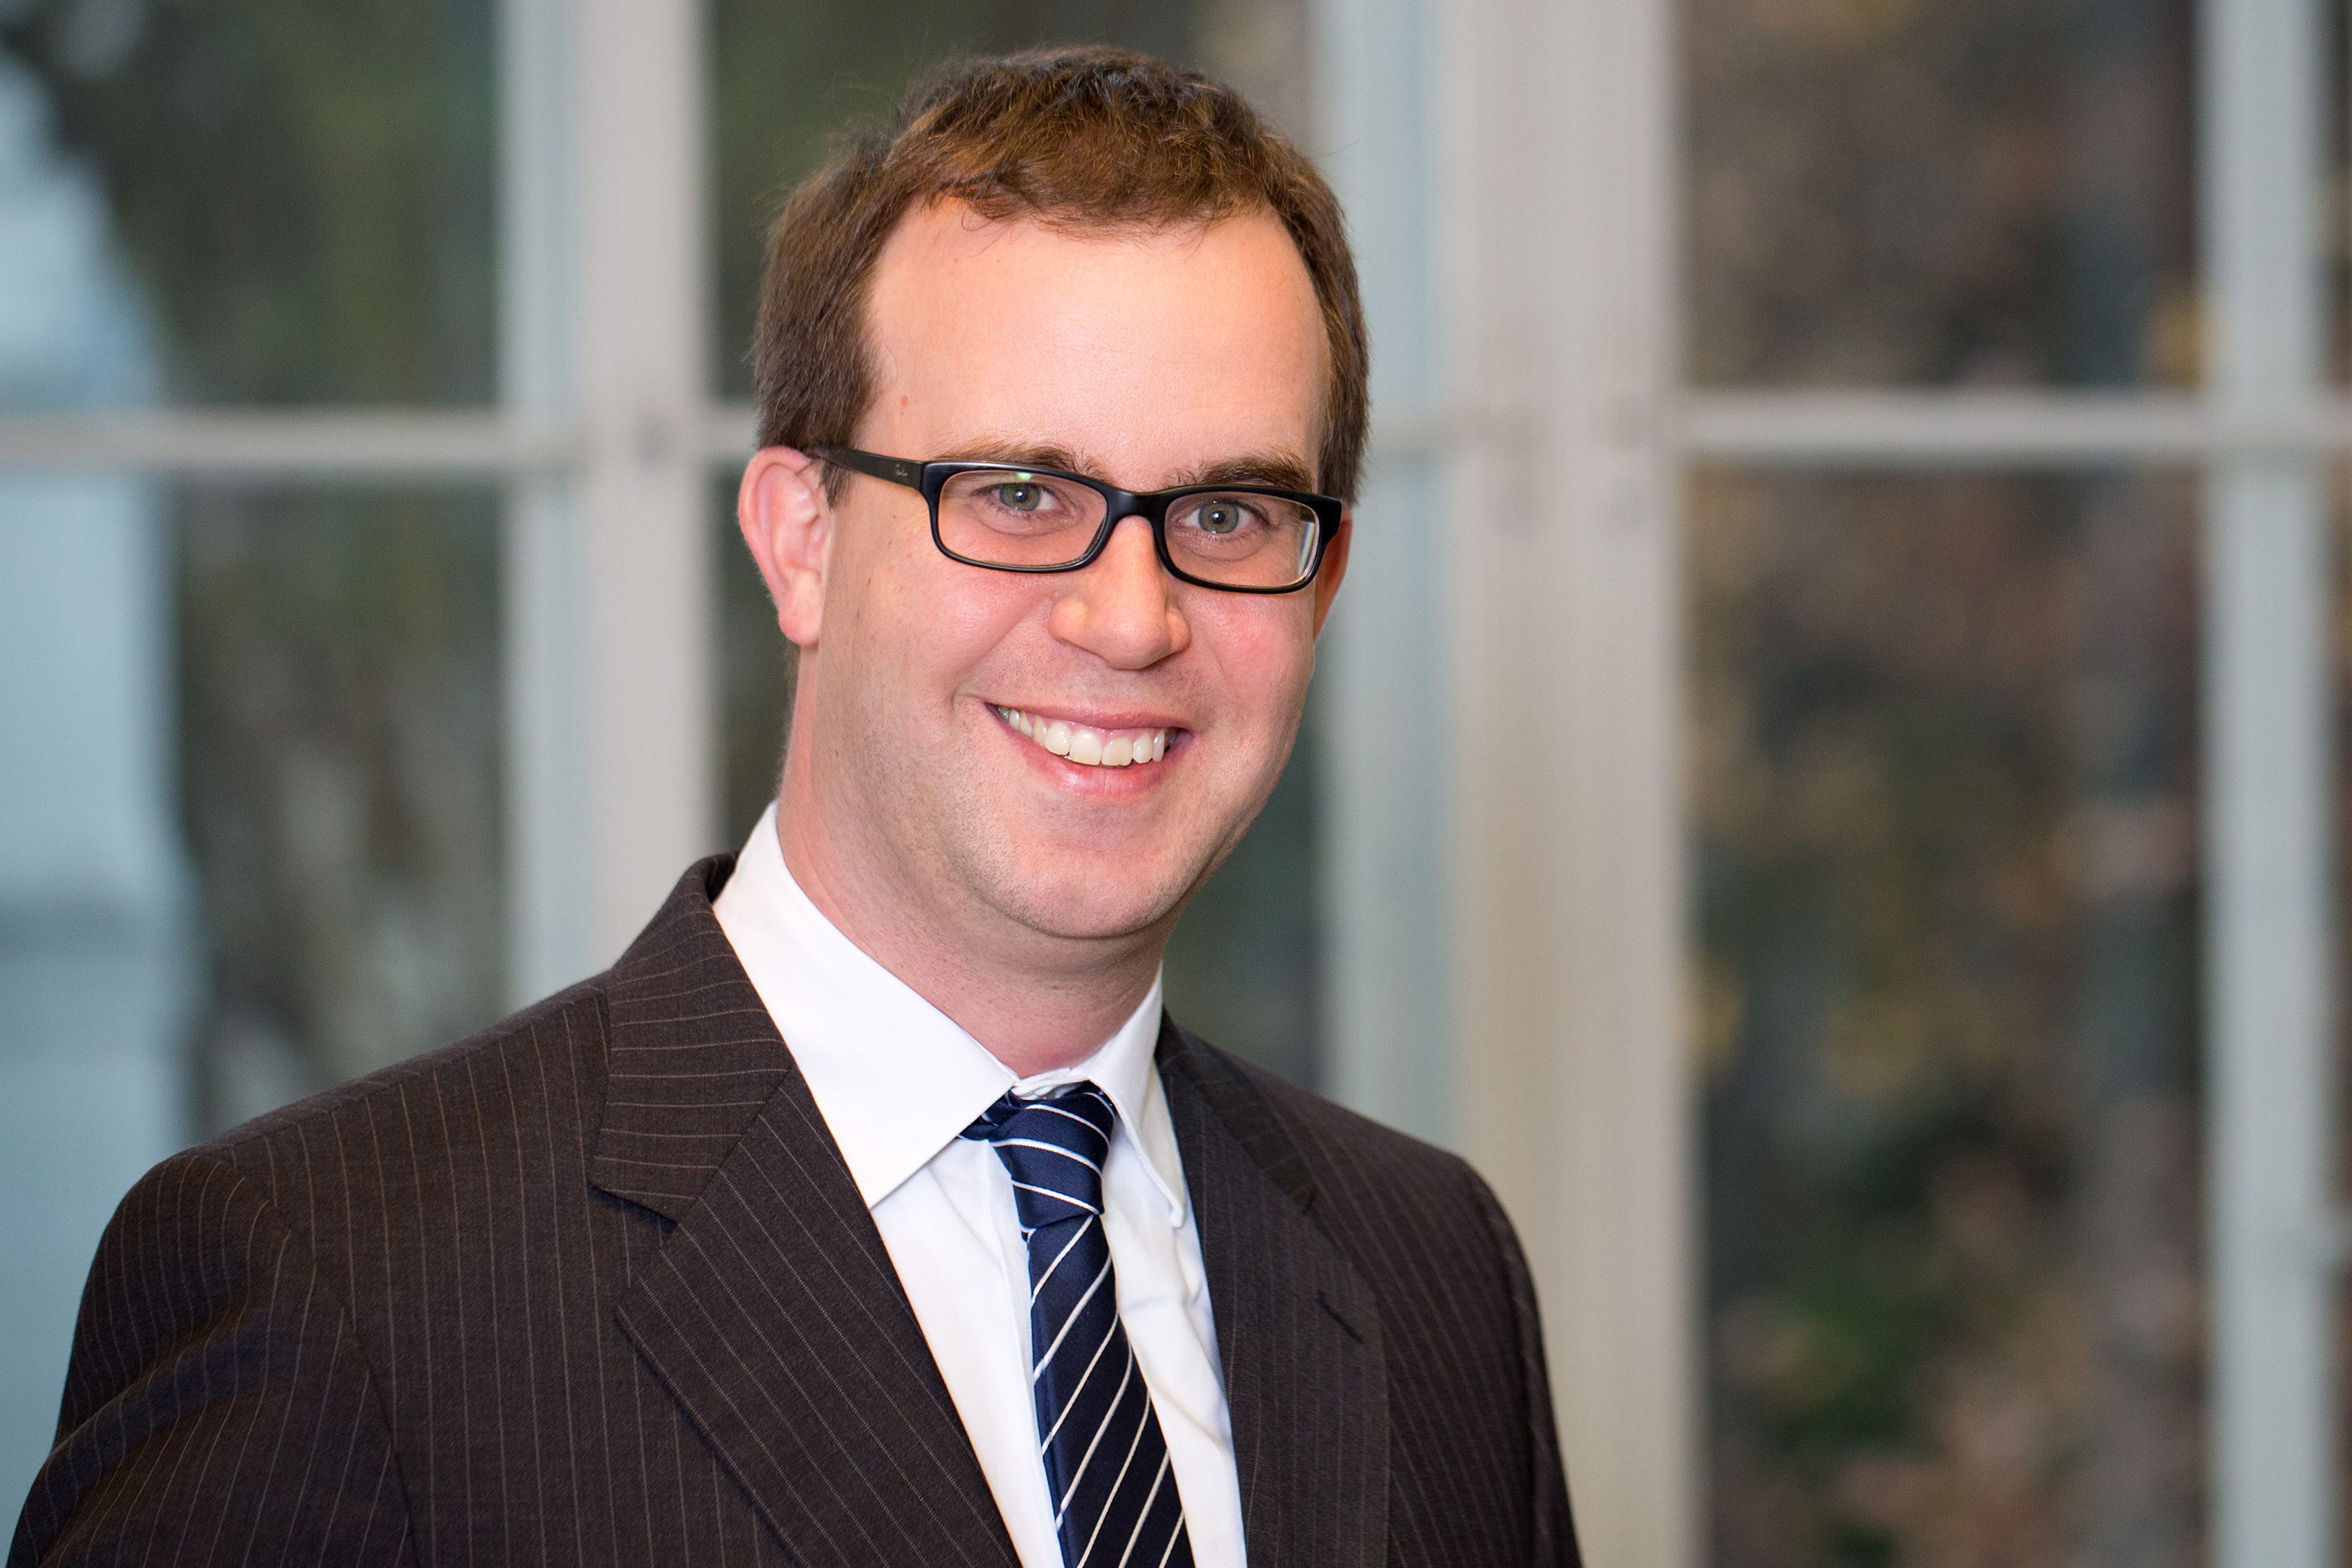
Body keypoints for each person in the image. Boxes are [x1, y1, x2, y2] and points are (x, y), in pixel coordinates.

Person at [11, 47, 1577, 1568]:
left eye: (1227, 512)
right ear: (799, 540)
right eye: (1016, 495)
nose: (1128, 618)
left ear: (1322, 581)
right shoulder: (341, 1283)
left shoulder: (1434, 1271)